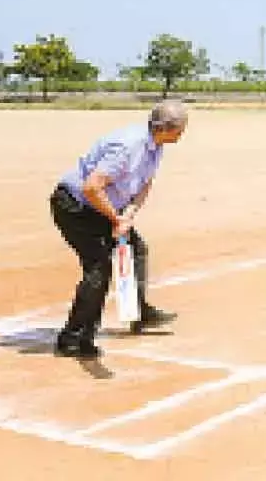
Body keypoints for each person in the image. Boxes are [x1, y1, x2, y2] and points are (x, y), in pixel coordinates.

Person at [48, 100, 188, 358]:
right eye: (181, 128)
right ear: (166, 128)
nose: (183, 132)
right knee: (98, 268)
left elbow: (145, 183)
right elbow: (92, 187)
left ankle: (138, 312)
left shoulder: (156, 146)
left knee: (136, 249)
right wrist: (116, 219)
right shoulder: (128, 147)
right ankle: (73, 338)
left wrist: (128, 214)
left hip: (102, 208)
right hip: (76, 208)